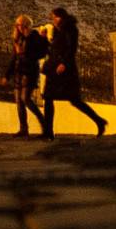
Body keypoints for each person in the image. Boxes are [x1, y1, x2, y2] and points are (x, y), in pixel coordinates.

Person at [41, 7, 106, 138]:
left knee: (75, 100)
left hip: (65, 71)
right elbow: (53, 50)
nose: (53, 20)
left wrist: (64, 63)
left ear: (62, 17)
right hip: (54, 70)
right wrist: (44, 39)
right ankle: (48, 132)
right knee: (48, 98)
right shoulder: (57, 31)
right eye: (52, 17)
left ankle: (99, 121)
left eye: (56, 17)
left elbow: (72, 48)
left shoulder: (70, 29)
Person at [4, 14, 49, 137]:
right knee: (19, 102)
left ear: (26, 25)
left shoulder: (34, 36)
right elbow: (14, 58)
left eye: (20, 24)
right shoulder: (18, 39)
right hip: (19, 73)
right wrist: (7, 75)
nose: (18, 27)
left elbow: (42, 53)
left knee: (26, 99)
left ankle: (45, 125)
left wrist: (26, 53)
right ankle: (23, 129)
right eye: (17, 24)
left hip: (30, 72)